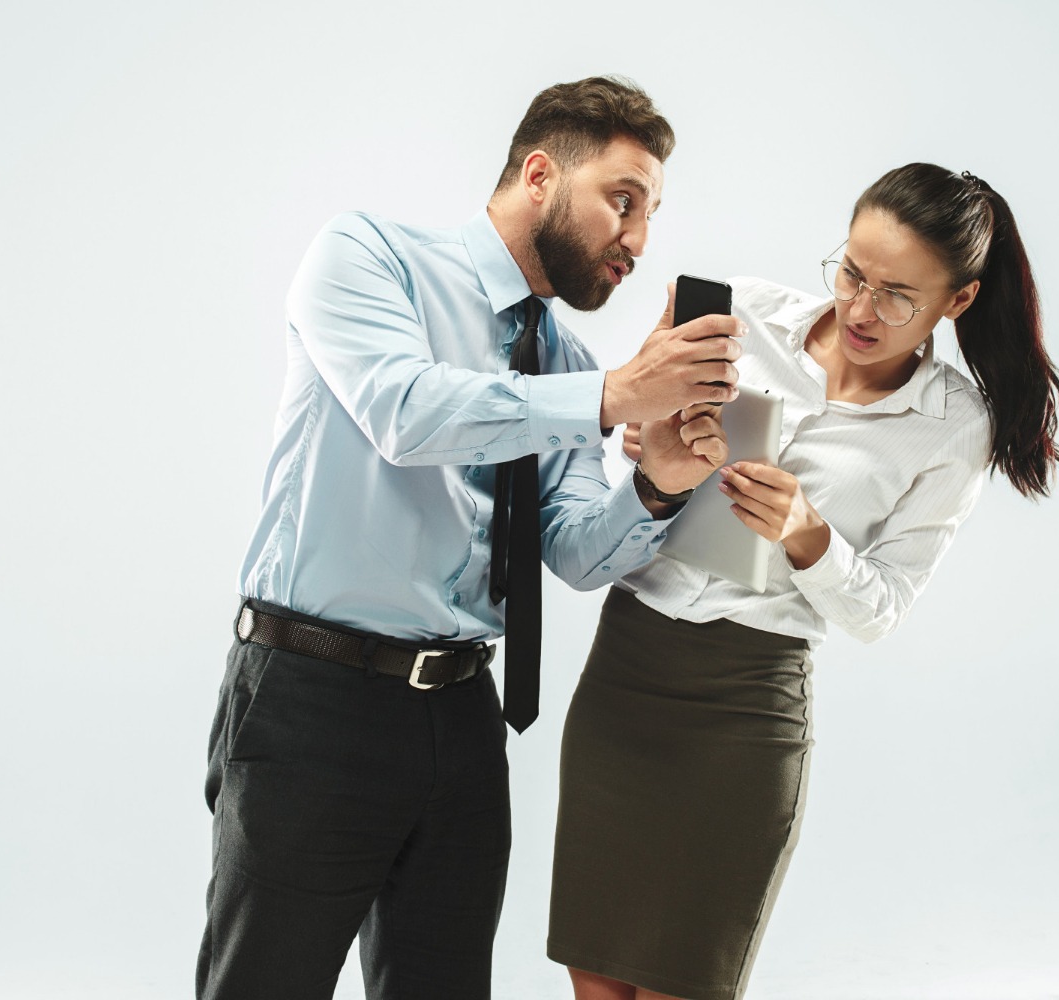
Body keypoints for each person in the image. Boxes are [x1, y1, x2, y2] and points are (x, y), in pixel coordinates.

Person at [197, 76, 740, 1000]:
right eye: (623, 200)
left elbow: (569, 550)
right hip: (313, 696)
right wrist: (612, 398)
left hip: (461, 716)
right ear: (539, 174)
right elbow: (406, 416)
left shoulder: (563, 360)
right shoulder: (369, 255)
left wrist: (656, 485)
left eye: (649, 216)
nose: (638, 243)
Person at [548, 162, 1059, 1000]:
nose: (861, 309)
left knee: (683, 980)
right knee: (597, 981)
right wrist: (649, 445)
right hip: (628, 672)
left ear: (958, 302)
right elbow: (628, 445)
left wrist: (806, 534)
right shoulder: (734, 311)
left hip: (747, 708)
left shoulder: (952, 425)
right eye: (853, 272)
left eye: (898, 295)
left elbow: (883, 609)